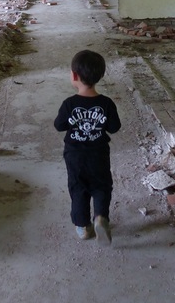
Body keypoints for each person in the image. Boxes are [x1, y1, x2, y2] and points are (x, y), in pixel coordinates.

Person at [54, 50, 121, 245]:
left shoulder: (69, 104)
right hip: (99, 154)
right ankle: (100, 217)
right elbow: (114, 128)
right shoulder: (106, 103)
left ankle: (83, 227)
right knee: (101, 187)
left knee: (78, 189)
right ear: (100, 76)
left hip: (74, 156)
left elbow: (59, 126)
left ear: (74, 76)